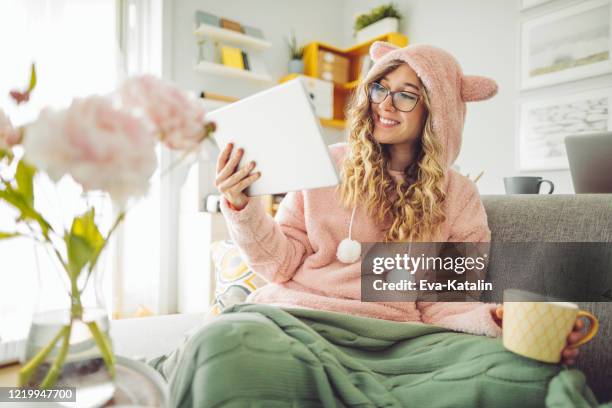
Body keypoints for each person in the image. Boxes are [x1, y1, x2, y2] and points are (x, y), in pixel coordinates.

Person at [215, 43, 585, 363]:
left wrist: (497, 321)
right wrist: (242, 206)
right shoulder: (327, 164)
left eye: (407, 95)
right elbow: (279, 265)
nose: (385, 104)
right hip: (295, 317)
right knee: (226, 349)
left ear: (436, 111)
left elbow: (446, 300)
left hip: (388, 336)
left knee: (519, 369)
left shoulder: (457, 195)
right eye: (380, 88)